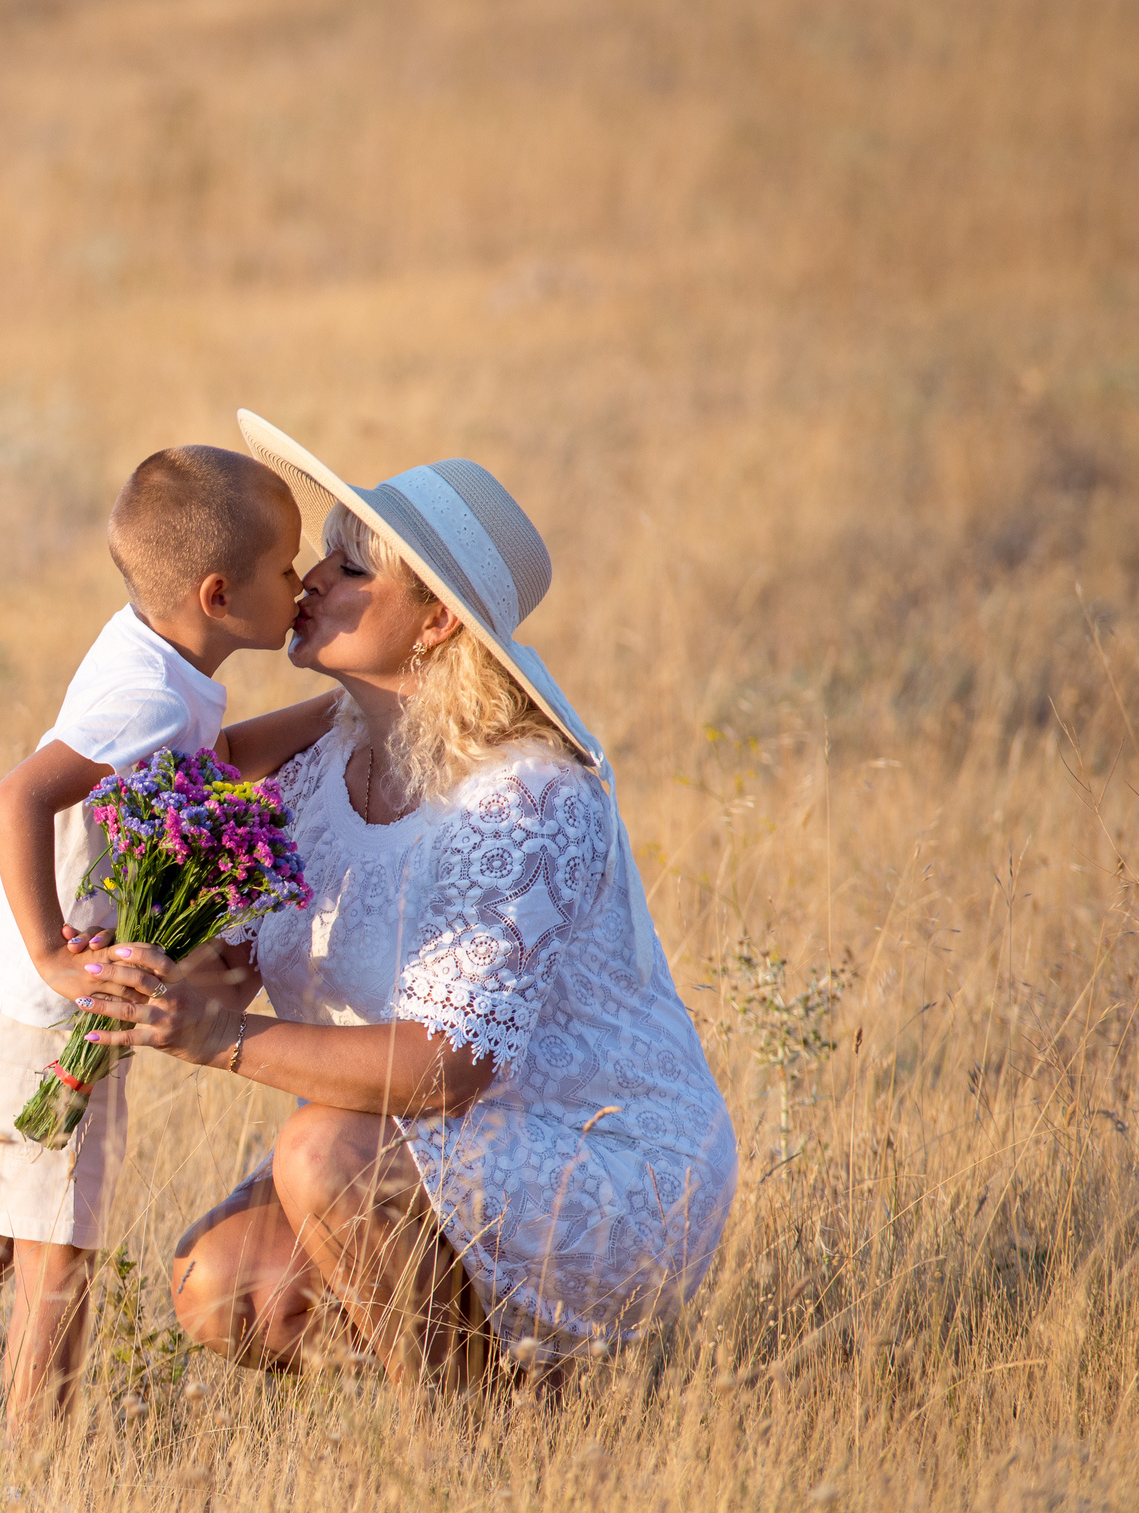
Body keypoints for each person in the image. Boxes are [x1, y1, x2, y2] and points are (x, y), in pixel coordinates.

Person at [74, 413, 737, 1391]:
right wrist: (141, 966)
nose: (308, 581)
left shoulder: (523, 797)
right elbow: (231, 950)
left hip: (605, 1154)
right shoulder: (320, 764)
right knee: (222, 1284)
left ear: (435, 623)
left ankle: (458, 1443)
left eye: (349, 570)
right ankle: (513, 1397)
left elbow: (444, 1071)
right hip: (421, 1142)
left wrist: (215, 1038)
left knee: (322, 1150)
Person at [0, 444, 337, 1440]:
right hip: (47, 1019)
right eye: (286, 568)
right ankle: (30, 1480)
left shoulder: (148, 656)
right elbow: (16, 796)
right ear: (219, 595)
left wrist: (342, 707)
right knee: (55, 1267)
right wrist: (56, 955)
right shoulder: (151, 698)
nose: (303, 582)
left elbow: (221, 761)